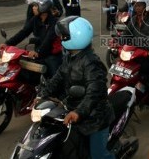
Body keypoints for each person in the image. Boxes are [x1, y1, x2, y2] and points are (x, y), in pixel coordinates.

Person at [37, 16, 115, 159]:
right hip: (73, 110)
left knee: (98, 156)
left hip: (95, 118)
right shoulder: (70, 57)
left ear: (74, 38)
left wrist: (79, 112)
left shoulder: (91, 63)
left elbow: (94, 92)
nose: (61, 39)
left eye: (63, 36)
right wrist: (41, 95)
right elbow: (58, 77)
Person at [0, 0, 62, 79]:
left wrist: (38, 52)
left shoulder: (54, 22)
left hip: (52, 55)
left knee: (55, 79)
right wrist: (8, 44)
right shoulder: (35, 20)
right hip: (39, 54)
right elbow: (23, 32)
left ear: (43, 6)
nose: (33, 8)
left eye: (35, 6)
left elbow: (48, 40)